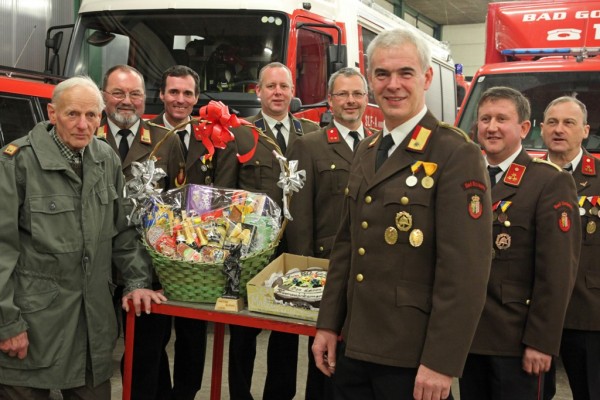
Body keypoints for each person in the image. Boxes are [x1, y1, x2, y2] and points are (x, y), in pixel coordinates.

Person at [312, 27, 493, 400]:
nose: (393, 85)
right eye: (382, 74)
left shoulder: (455, 153)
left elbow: (465, 272)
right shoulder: (367, 148)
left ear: (426, 78)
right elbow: (346, 247)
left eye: (405, 73)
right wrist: (328, 324)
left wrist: (442, 361)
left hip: (412, 355)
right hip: (355, 343)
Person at [0, 75, 165, 399]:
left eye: (91, 115)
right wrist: (7, 324)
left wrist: (136, 282)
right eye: (72, 114)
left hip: (92, 326)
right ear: (52, 113)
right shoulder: (17, 163)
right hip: (33, 328)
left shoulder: (106, 159)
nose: (82, 124)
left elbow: (123, 231)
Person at [459, 87, 581, 400]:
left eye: (502, 118)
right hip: (468, 338)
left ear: (524, 128)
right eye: (485, 119)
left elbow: (557, 273)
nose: (491, 127)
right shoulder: (464, 178)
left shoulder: (549, 181)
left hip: (516, 343)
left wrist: (542, 342)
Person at [214, 61, 319, 400]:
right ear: (257, 91)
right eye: (270, 86)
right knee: (244, 333)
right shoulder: (242, 134)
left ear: (293, 92)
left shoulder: (309, 134)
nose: (278, 92)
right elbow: (225, 193)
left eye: (284, 86)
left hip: (295, 249)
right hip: (253, 251)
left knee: (287, 333)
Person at [99, 65, 186, 400]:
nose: (126, 101)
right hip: (97, 264)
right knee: (98, 351)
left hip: (150, 269)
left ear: (145, 98)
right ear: (104, 95)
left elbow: (178, 205)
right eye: (118, 93)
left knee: (146, 353)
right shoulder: (88, 133)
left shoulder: (167, 140)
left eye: (134, 94)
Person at [286, 66, 372, 400]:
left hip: (370, 274)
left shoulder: (381, 145)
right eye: (343, 95)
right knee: (324, 362)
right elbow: (300, 219)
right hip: (326, 273)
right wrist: (306, 275)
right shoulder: (308, 146)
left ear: (367, 100)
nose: (351, 101)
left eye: (357, 94)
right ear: (330, 102)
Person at [147, 64, 210, 400]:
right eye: (173, 92)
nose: (180, 99)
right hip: (156, 252)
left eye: (187, 93)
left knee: (193, 333)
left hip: (198, 252)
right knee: (153, 334)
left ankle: (185, 393)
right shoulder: (147, 134)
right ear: (161, 95)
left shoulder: (209, 134)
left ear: (196, 98)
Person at [540, 96, 599, 400]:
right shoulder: (528, 178)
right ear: (540, 129)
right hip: (534, 313)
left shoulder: (599, 177)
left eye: (568, 123)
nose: (559, 130)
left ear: (585, 131)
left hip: (587, 313)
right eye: (552, 122)